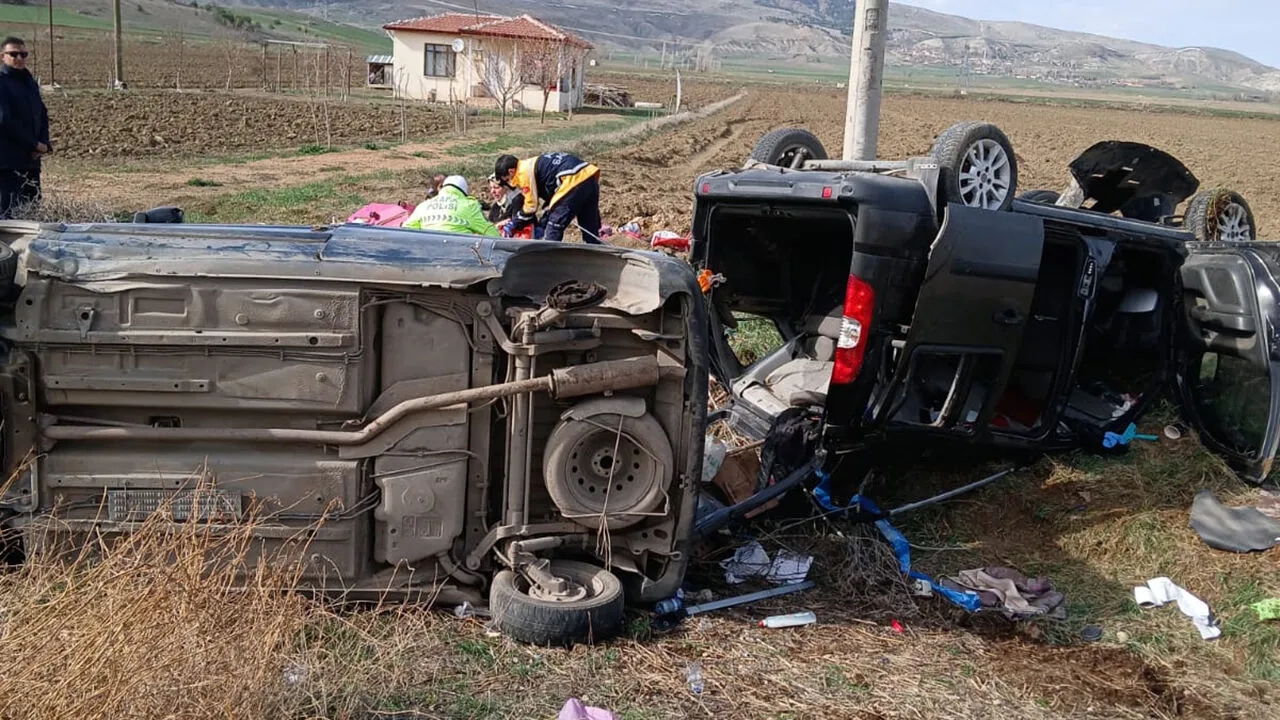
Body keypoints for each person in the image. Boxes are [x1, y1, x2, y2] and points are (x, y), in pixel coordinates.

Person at [494, 151, 602, 243]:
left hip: (572, 180)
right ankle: (598, 256)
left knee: (553, 228)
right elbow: (552, 202)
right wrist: (542, 223)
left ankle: (550, 262)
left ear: (511, 171)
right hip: (589, 176)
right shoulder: (535, 165)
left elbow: (531, 207)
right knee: (590, 228)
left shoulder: (522, 173)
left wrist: (514, 223)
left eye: (507, 179)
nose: (511, 183)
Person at [0, 36, 49, 218]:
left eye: (23, 54)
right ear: (2, 57)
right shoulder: (2, 83)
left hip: (31, 161)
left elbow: (42, 113)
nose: (19, 58)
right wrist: (33, 144)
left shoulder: (29, 83)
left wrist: (43, 143)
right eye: (14, 54)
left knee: (32, 211)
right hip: (8, 162)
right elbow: (5, 120)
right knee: (9, 213)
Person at [402, 175, 500, 236]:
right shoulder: (469, 205)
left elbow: (407, 229)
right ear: (464, 192)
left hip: (427, 255)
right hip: (458, 256)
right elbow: (489, 232)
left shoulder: (424, 205)